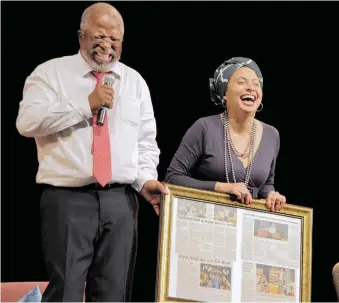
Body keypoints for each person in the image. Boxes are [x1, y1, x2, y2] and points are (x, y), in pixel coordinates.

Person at [16, 2, 167, 302]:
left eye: (114, 39)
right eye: (99, 36)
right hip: (68, 200)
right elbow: (27, 122)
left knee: (113, 294)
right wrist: (86, 105)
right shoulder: (50, 73)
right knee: (67, 292)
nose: (106, 46)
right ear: (81, 35)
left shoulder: (135, 82)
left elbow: (145, 142)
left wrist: (144, 180)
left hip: (120, 203)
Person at [165, 57, 286, 212]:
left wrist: (272, 195)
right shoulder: (204, 127)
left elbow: (265, 184)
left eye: (256, 84)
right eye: (242, 82)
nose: (250, 88)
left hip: (247, 225)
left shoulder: (272, 135)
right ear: (224, 93)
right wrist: (222, 188)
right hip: (206, 219)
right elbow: (173, 178)